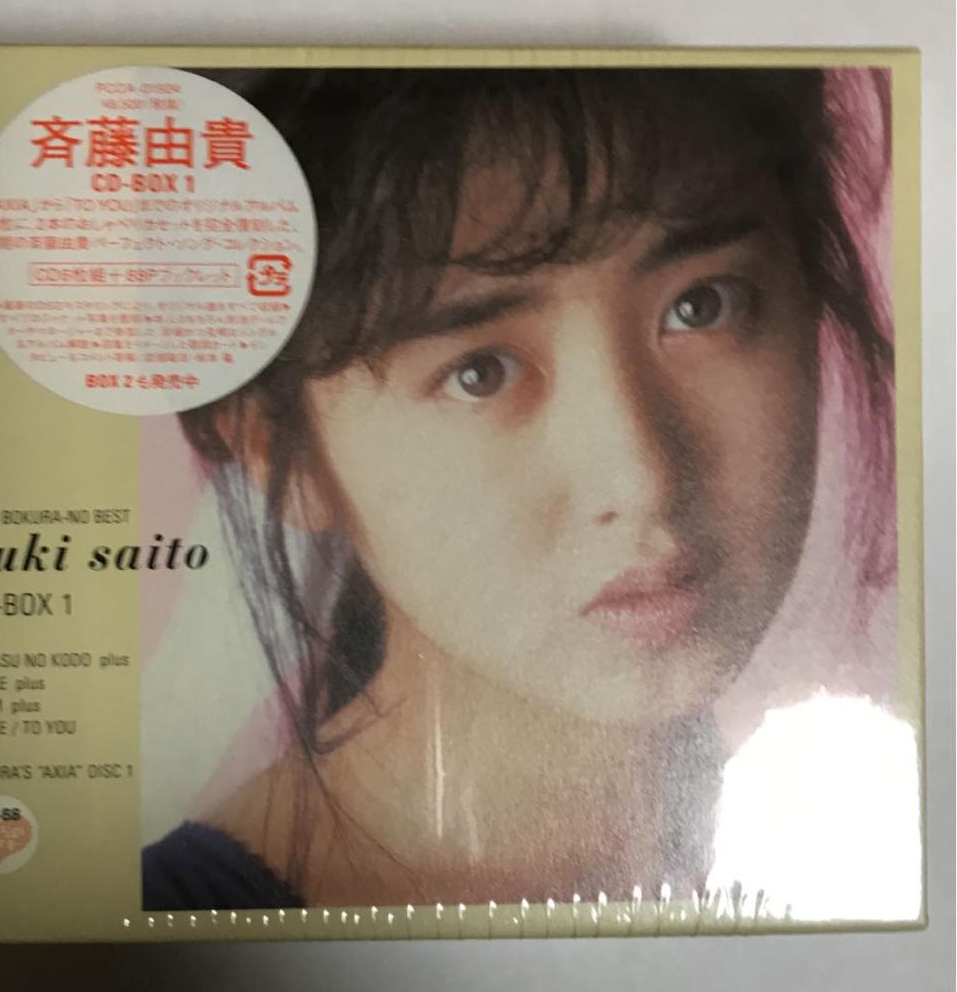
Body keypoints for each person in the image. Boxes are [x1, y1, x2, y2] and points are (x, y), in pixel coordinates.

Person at [142, 67, 895, 912]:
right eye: (480, 372)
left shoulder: (856, 852)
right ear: (279, 446)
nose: (641, 478)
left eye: (702, 306)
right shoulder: (166, 932)